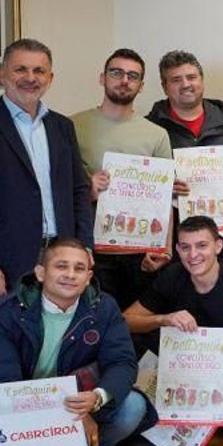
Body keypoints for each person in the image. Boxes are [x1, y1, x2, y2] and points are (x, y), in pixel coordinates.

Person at [0, 238, 153, 446]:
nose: (70, 275)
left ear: (89, 277)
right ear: (40, 273)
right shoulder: (8, 316)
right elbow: (1, 382)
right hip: (25, 412)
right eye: (61, 266)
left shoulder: (104, 308)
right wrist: (68, 417)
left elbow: (122, 362)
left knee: (133, 405)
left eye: (79, 268)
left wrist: (96, 398)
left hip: (79, 404)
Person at [0, 38, 93, 321]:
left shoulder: (62, 127)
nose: (31, 78)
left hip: (61, 260)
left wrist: (85, 246)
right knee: (9, 351)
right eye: (21, 70)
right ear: (2, 75)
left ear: (50, 78)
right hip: (5, 267)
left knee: (59, 347)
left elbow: (79, 190)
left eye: (39, 71)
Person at [124, 215, 223, 440]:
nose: (193, 255)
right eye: (185, 247)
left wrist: (205, 370)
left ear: (218, 246)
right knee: (132, 345)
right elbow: (127, 320)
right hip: (177, 365)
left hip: (220, 366)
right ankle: (159, 414)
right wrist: (163, 318)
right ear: (177, 249)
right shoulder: (172, 275)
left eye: (202, 245)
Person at [71, 48, 175, 308]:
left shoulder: (157, 134)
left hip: (140, 251)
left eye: (132, 76)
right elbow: (59, 187)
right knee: (93, 324)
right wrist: (89, 189)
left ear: (140, 85)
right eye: (116, 73)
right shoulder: (71, 126)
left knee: (138, 328)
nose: (124, 80)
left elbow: (165, 196)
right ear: (102, 77)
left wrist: (165, 248)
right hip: (91, 249)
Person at [147, 49, 223, 181]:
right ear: (164, 87)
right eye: (176, 80)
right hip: (173, 202)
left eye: (191, 77)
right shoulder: (150, 127)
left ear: (202, 81)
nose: (185, 85)